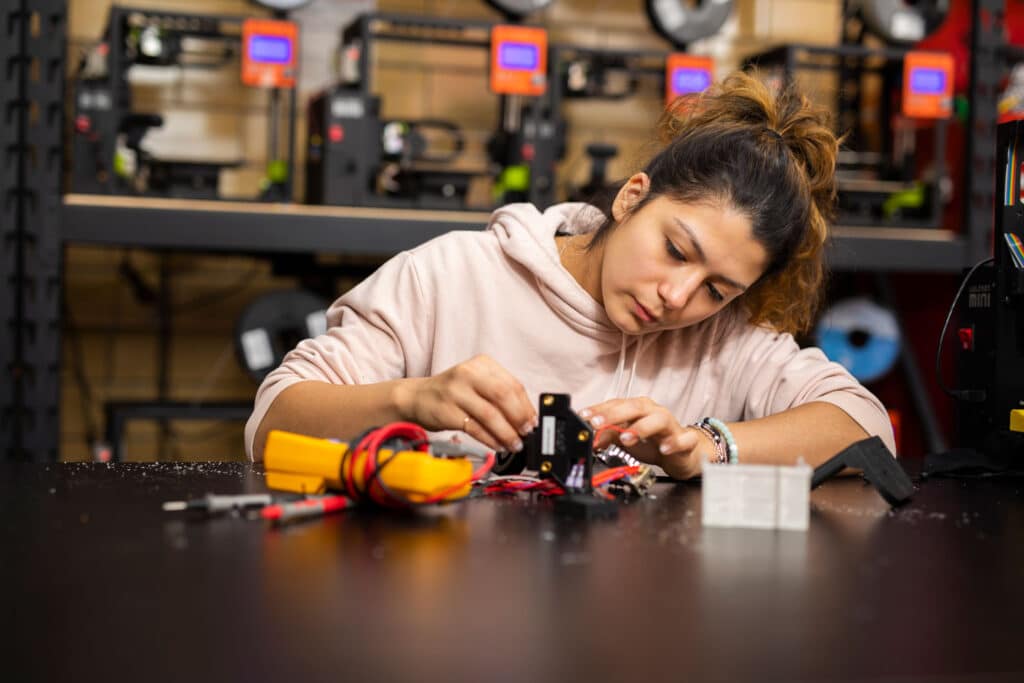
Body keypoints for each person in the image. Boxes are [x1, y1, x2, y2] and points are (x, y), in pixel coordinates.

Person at [245, 71, 895, 479]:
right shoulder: (451, 274)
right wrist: (410, 399)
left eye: (717, 288)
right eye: (674, 248)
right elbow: (271, 420)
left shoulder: (726, 335)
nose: (678, 296)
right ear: (632, 198)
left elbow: (866, 426)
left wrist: (708, 446)